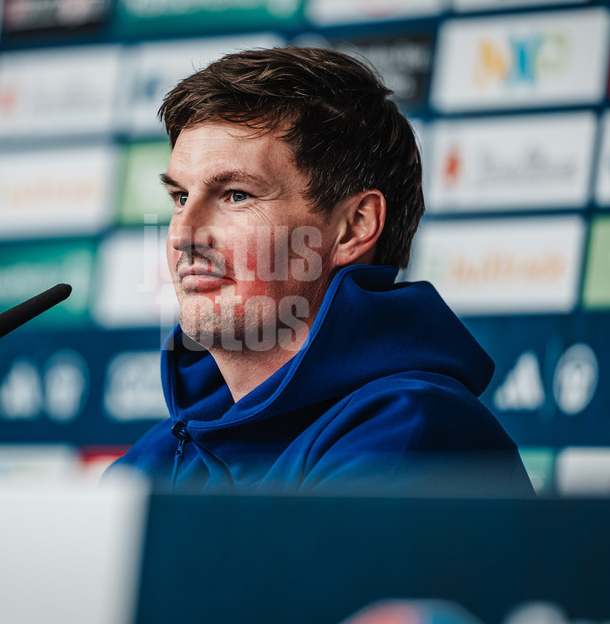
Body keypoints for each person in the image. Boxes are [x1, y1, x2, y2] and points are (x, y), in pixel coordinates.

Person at [110, 46, 533, 495]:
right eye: (179, 198)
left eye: (236, 195)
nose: (183, 235)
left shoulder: (414, 433)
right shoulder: (155, 458)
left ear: (354, 227)